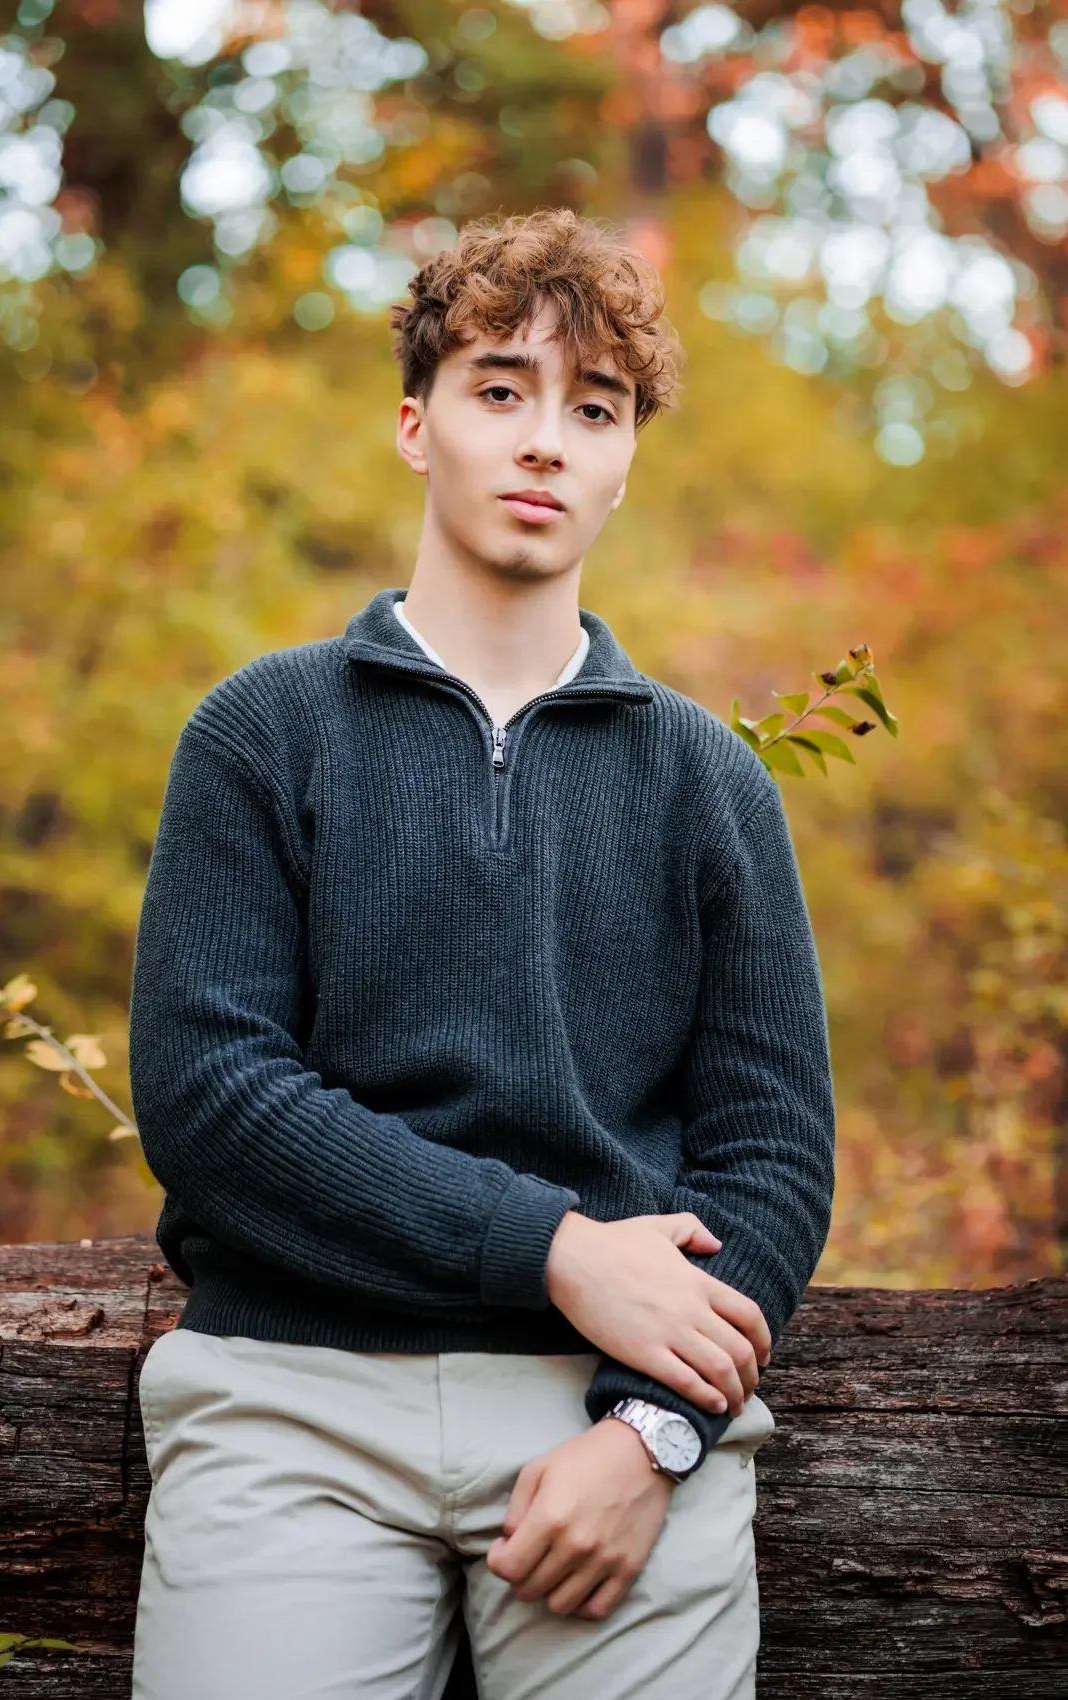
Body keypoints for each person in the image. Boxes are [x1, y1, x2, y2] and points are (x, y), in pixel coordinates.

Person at [128, 206, 836, 1700]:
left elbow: (772, 1154)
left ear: (629, 458)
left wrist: (652, 1431)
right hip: (291, 1404)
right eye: (499, 389)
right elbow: (212, 1097)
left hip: (605, 1418)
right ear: (415, 424)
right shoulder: (265, 733)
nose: (546, 442)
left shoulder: (711, 783)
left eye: (595, 409)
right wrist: (557, 1251)